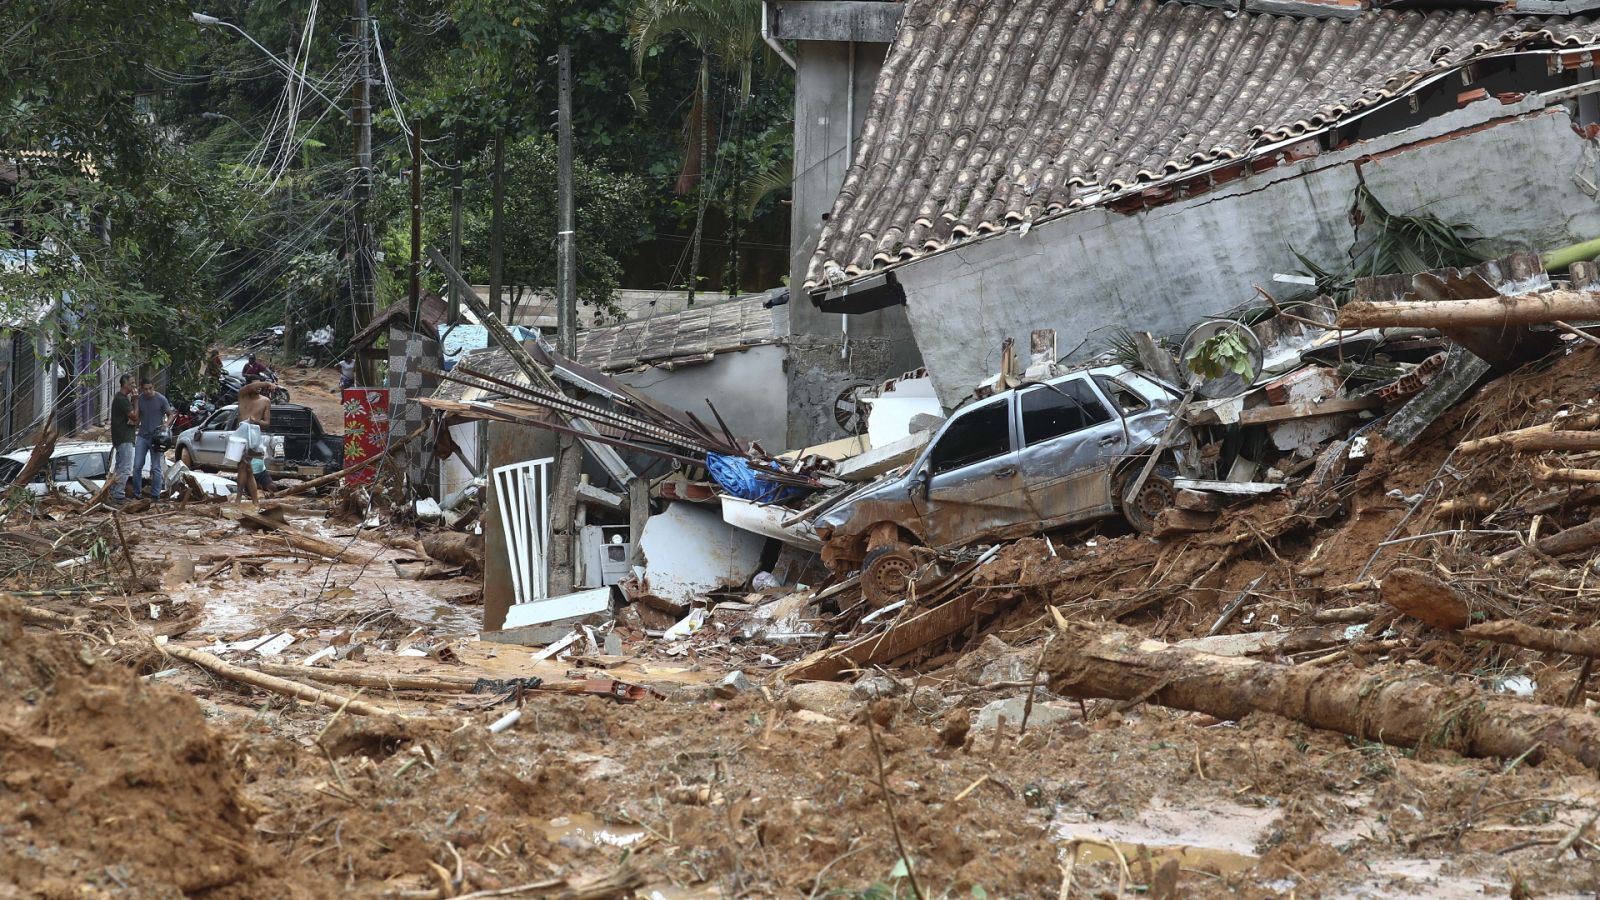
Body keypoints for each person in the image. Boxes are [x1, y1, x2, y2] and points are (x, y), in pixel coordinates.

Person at [129, 378, 173, 501]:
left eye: (150, 388)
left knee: (155, 467)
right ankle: (137, 494)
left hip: (157, 438)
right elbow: (136, 417)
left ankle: (155, 495)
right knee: (137, 465)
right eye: (145, 389)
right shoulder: (140, 399)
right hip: (142, 436)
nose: (148, 391)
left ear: (153, 387)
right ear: (142, 388)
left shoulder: (161, 399)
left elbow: (171, 414)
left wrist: (165, 426)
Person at [234, 380, 273, 502]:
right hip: (240, 436)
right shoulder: (243, 395)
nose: (258, 387)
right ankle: (248, 499)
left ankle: (241, 499)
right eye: (256, 384)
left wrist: (256, 421)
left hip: (254, 437)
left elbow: (266, 423)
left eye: (260, 385)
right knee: (244, 468)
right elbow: (250, 387)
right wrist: (266, 383)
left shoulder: (265, 401)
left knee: (247, 468)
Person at [109, 374, 136, 503]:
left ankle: (114, 492)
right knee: (125, 468)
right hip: (124, 437)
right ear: (125, 384)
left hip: (121, 437)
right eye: (131, 383)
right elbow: (134, 416)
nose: (134, 385)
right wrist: (136, 400)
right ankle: (119, 494)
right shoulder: (122, 399)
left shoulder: (121, 398)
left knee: (119, 467)